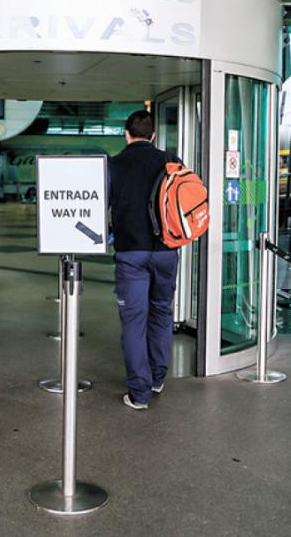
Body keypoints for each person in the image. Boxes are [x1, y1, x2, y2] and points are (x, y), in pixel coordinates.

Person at [108, 110, 179, 411]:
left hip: (131, 254)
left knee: (134, 321)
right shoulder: (171, 162)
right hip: (166, 251)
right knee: (162, 312)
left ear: (126, 135)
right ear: (153, 135)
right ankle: (157, 378)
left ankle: (139, 393)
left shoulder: (114, 165)